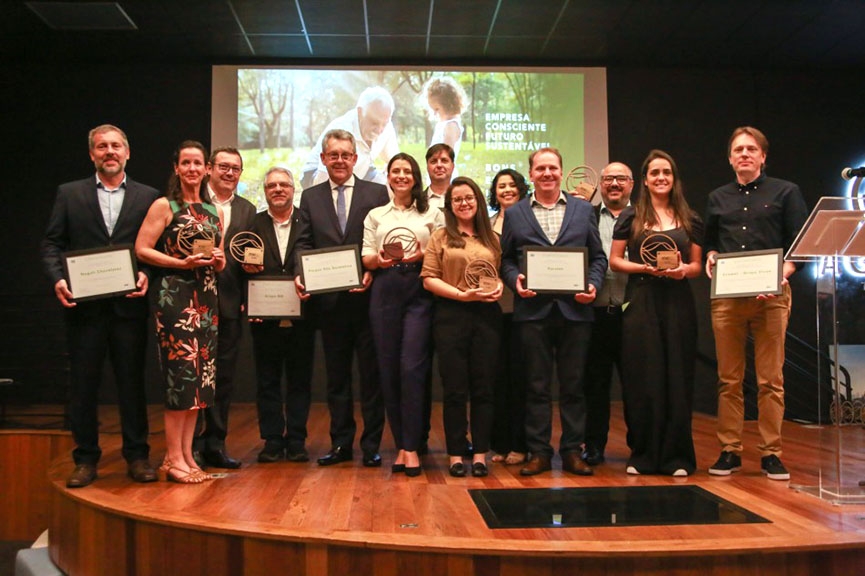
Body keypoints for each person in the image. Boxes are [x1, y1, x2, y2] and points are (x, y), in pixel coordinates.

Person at [42, 124, 160, 488]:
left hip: (129, 309)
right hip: (85, 310)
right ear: (92, 154)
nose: (109, 151)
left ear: (127, 152)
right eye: (101, 146)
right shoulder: (69, 193)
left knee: (132, 385)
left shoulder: (148, 196)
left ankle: (137, 456)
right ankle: (85, 459)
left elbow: (156, 248)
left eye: (115, 146)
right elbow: (52, 243)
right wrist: (58, 279)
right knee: (84, 386)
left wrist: (147, 274)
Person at [704, 126, 808, 481]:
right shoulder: (717, 197)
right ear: (730, 158)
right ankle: (729, 450)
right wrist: (711, 257)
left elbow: (799, 246)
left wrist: (783, 274)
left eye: (751, 149)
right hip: (728, 298)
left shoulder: (786, 192)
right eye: (738, 150)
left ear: (763, 156)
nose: (745, 154)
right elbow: (711, 244)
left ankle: (771, 453)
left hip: (772, 297)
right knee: (728, 379)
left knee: (770, 380)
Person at [500, 147, 607, 477]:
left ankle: (572, 451)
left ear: (561, 171)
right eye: (540, 169)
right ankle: (539, 452)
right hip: (532, 312)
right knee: (536, 386)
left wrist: (593, 285)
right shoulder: (515, 213)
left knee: (574, 386)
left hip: (576, 312)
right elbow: (506, 260)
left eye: (552, 168)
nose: (547, 173)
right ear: (531, 174)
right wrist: (515, 280)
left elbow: (598, 257)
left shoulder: (583, 210)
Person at [295, 129, 389, 468]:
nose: (339, 160)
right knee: (337, 380)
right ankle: (341, 444)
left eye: (345, 155)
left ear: (355, 158)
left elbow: (381, 242)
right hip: (329, 305)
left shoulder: (377, 193)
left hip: (368, 302)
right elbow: (303, 243)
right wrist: (301, 273)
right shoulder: (310, 197)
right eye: (333, 155)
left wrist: (372, 272)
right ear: (323, 158)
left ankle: (372, 445)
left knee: (371, 379)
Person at [135, 140, 226, 484]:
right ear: (176, 168)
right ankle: (173, 458)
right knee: (181, 380)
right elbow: (142, 249)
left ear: (207, 169)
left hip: (207, 299)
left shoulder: (214, 211)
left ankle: (186, 455)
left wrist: (219, 261)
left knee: (200, 383)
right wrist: (180, 263)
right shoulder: (164, 205)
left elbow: (219, 259)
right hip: (175, 298)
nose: (192, 168)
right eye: (185, 162)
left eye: (197, 163)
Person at [609, 150, 703, 476]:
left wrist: (682, 270)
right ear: (645, 180)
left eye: (667, 172)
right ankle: (643, 455)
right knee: (643, 378)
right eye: (654, 173)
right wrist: (643, 267)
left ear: (674, 179)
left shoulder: (690, 218)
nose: (661, 177)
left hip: (678, 301)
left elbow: (696, 266)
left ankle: (678, 457)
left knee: (677, 377)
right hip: (640, 300)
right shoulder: (630, 216)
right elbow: (615, 261)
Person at [362, 153, 444, 476]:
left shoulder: (432, 212)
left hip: (419, 291)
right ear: (388, 176)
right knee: (388, 370)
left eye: (407, 171)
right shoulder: (376, 215)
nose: (401, 176)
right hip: (385, 290)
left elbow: (442, 251)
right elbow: (367, 256)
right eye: (395, 171)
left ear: (415, 177)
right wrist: (379, 260)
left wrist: (422, 254)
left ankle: (412, 445)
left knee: (412, 367)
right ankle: (402, 445)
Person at [422, 177, 502, 477]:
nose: (464, 203)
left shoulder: (492, 238)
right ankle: (456, 454)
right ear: (450, 205)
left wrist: (499, 286)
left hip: (487, 317)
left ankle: (480, 454)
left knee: (484, 388)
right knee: (454, 389)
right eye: (457, 199)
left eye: (469, 198)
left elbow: (496, 274)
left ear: (478, 201)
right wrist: (460, 295)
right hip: (450, 315)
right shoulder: (440, 237)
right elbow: (428, 278)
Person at [242, 167, 316, 463]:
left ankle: (296, 440)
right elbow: (243, 266)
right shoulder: (253, 223)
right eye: (272, 185)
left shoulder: (307, 221)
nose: (278, 189)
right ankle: (272, 440)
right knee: (267, 380)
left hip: (303, 313)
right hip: (264, 316)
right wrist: (250, 302)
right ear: (265, 191)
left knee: (300, 379)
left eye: (284, 184)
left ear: (293, 189)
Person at [192, 146, 256, 470]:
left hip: (230, 302)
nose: (230, 173)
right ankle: (190, 446)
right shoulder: (193, 203)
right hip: (192, 301)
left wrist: (251, 285)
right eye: (223, 167)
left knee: (224, 377)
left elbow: (249, 257)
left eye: (235, 168)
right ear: (209, 169)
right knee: (193, 375)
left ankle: (215, 444)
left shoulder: (248, 209)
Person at [581, 162, 633, 466]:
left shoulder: (644, 217)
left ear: (631, 184)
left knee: (636, 385)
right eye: (609, 179)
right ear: (600, 184)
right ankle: (594, 446)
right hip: (595, 313)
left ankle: (639, 445)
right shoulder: (585, 216)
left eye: (621, 179)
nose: (614, 184)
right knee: (594, 385)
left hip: (634, 313)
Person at [487, 169, 530, 465]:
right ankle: (500, 443)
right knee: (496, 379)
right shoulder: (486, 224)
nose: (506, 190)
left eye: (512, 185)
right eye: (501, 186)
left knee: (521, 379)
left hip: (524, 309)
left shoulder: (529, 220)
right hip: (492, 309)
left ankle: (521, 443)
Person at [301, 87, 400, 187]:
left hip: (360, 170)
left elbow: (396, 162)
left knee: (384, 186)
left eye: (384, 124)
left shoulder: (386, 127)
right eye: (374, 122)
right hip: (318, 173)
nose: (379, 130)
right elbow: (323, 180)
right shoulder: (341, 130)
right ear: (360, 112)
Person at [422, 77, 467, 164]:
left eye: (437, 109)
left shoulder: (451, 126)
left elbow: (446, 156)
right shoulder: (443, 124)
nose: (435, 114)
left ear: (448, 105)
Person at [425, 143, 455, 211]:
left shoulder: (461, 199)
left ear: (453, 166)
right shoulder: (416, 201)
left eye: (444, 161)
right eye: (433, 161)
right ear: (427, 167)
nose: (439, 165)